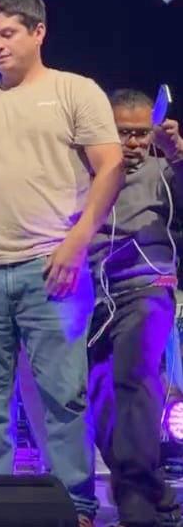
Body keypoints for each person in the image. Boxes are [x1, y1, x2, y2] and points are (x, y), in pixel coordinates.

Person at [0, 0, 123, 525]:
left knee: (63, 397)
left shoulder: (74, 90)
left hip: (52, 267)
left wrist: (76, 243)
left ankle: (75, 504)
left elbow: (110, 168)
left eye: (8, 33)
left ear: (38, 32)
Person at [88, 89, 182, 527]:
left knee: (134, 380)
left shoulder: (164, 170)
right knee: (97, 398)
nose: (132, 143)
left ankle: (135, 504)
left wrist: (178, 155)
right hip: (93, 294)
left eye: (141, 133)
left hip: (148, 285)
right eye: (122, 132)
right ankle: (152, 487)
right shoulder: (86, 168)